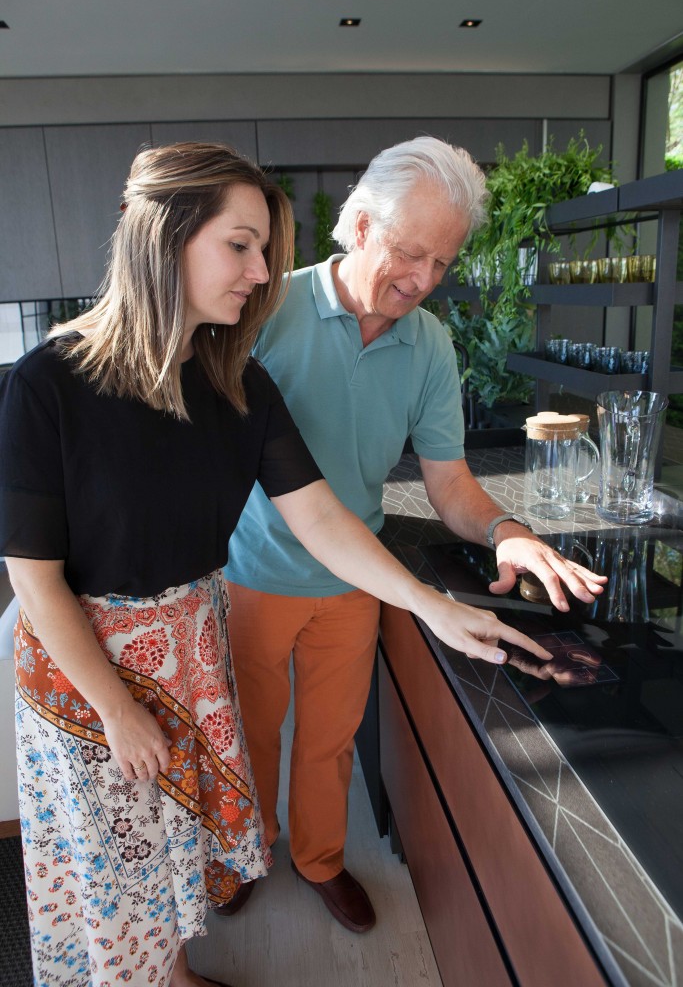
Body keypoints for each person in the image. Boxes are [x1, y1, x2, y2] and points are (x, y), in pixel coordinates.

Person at [0, 141, 553, 987]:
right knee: (110, 875)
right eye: (240, 245)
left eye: (265, 250)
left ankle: (181, 971)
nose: (259, 273)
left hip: (191, 642)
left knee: (175, 844)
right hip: (88, 675)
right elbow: (34, 578)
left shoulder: (237, 381)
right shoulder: (48, 382)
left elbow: (322, 517)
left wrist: (429, 604)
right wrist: (114, 708)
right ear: (163, 236)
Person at [223, 135, 608, 933]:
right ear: (358, 225)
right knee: (248, 732)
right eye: (409, 253)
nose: (423, 281)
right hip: (252, 571)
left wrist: (505, 530)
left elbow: (448, 483)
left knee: (328, 742)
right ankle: (245, 850)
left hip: (358, 577)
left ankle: (318, 859)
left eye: (442, 262)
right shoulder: (266, 309)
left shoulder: (428, 343)